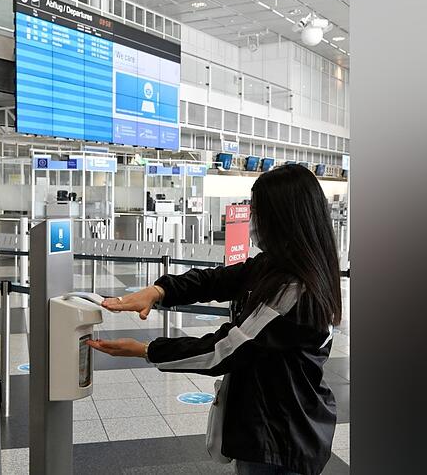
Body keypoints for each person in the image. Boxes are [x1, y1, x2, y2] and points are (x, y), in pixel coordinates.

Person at [87, 164, 342, 475]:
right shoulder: (276, 264)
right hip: (272, 424)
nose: (254, 221)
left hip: (282, 440)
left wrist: (146, 350)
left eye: (259, 211)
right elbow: (216, 280)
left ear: (283, 218)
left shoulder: (294, 289)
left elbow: (224, 350)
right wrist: (158, 290)